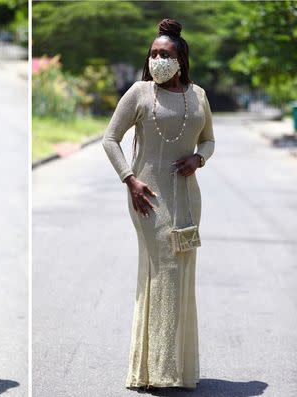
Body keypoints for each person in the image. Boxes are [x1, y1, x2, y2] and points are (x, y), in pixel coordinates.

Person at [102, 19, 215, 391]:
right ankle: (157, 370)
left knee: (180, 275)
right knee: (164, 268)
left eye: (165, 54)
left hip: (187, 200)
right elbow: (110, 139)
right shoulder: (138, 92)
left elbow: (209, 141)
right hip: (147, 198)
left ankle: (177, 369)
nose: (157, 60)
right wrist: (129, 179)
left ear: (180, 58)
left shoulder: (198, 95)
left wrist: (199, 160)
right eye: (153, 54)